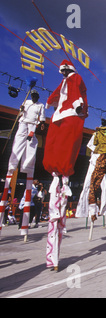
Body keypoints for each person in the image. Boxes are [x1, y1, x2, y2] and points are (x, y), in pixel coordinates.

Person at [43, 59, 88, 271]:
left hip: (70, 115)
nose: (62, 72)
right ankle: (56, 173)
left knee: (64, 152)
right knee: (53, 149)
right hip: (58, 117)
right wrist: (50, 102)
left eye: (64, 69)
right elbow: (55, 95)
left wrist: (78, 103)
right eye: (61, 70)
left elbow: (79, 89)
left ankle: (61, 174)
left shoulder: (75, 78)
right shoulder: (63, 83)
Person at [0, 89, 45, 236]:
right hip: (23, 123)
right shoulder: (26, 102)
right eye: (32, 95)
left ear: (38, 97)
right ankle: (13, 164)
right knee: (17, 144)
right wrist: (21, 110)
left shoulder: (40, 105)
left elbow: (41, 117)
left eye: (35, 96)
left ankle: (27, 166)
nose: (33, 97)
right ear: (30, 95)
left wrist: (42, 123)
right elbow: (21, 112)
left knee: (30, 145)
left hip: (32, 124)